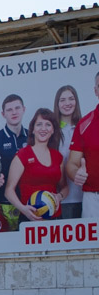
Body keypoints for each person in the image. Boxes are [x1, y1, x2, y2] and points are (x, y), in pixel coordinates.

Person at [5, 108, 64, 226]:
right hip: (29, 218)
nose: (43, 128)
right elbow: (8, 191)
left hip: (55, 219)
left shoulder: (58, 156)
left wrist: (59, 196)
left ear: (53, 130)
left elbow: (65, 187)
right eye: (39, 124)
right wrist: (23, 209)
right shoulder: (23, 154)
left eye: (48, 124)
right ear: (32, 129)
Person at [66, 71, 99, 217]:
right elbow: (72, 163)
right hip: (93, 197)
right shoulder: (84, 124)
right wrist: (75, 174)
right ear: (95, 90)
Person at [0, 93, 28, 229]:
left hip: (29, 202)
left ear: (23, 109)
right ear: (3, 114)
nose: (14, 112)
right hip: (5, 203)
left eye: (17, 108)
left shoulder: (33, 136)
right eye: (9, 110)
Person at [55, 85, 83, 219]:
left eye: (71, 99)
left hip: (83, 197)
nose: (67, 103)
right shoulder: (50, 131)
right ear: (57, 103)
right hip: (59, 199)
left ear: (76, 102)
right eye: (62, 100)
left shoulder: (84, 127)